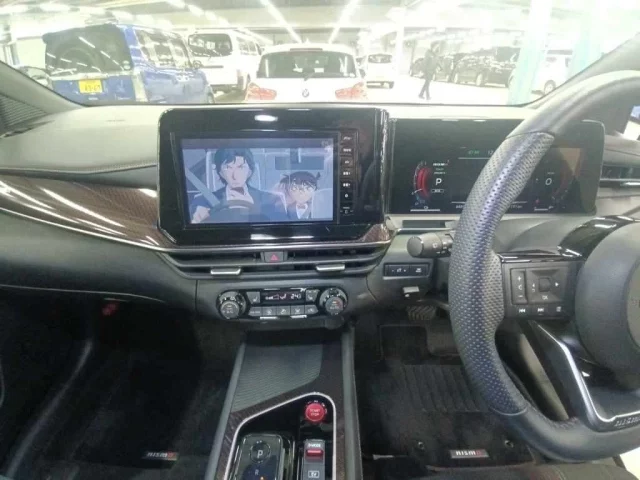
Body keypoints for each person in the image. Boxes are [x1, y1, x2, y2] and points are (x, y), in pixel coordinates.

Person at [190, 148, 285, 223]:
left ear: (250, 171)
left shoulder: (271, 200)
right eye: (228, 167)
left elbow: (282, 232)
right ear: (220, 172)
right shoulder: (203, 202)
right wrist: (198, 221)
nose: (235, 175)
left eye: (241, 167)